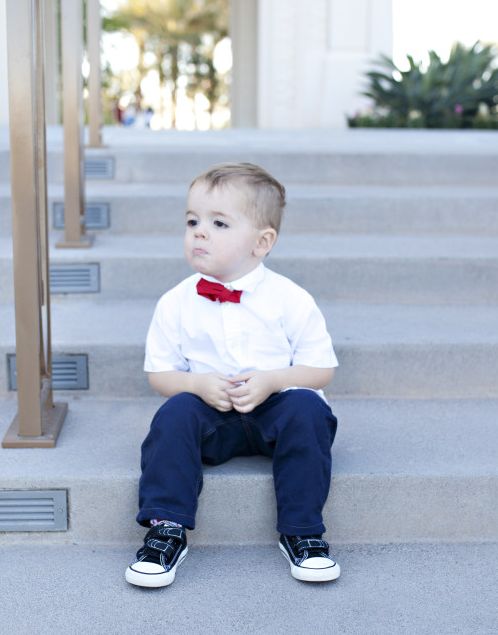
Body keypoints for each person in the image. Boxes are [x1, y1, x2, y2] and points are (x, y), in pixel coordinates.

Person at [125, 162, 340, 588]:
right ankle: (166, 529)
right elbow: (160, 376)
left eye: (219, 223)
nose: (199, 232)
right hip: (212, 414)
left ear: (262, 243)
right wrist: (196, 384)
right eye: (192, 221)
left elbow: (322, 370)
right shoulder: (175, 302)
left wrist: (275, 380)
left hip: (276, 409)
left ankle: (303, 532)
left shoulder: (289, 299)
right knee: (174, 414)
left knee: (307, 407)